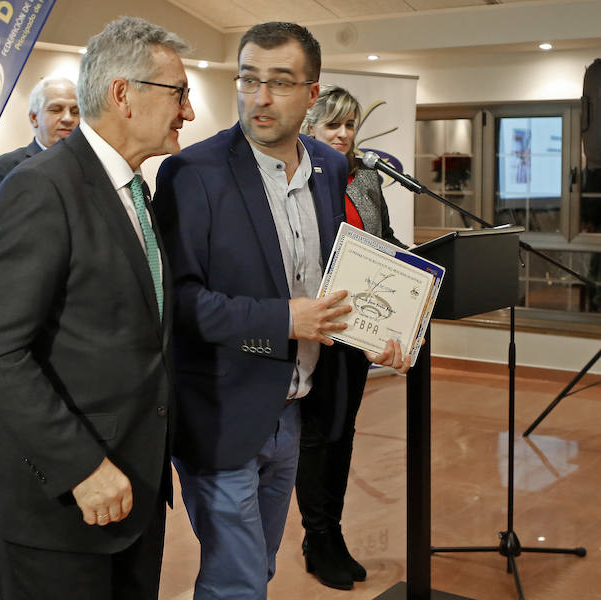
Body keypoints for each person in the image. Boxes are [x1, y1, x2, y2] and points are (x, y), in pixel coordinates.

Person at [154, 22, 409, 599]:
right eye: (249, 80)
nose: (260, 98)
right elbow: (180, 303)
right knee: (239, 581)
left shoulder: (330, 167)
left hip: (295, 411)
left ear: (312, 94)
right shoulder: (193, 174)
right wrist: (282, 320)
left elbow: (336, 280)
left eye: (279, 83)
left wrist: (373, 330)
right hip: (220, 413)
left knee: (257, 569)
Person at [0, 16, 194, 600]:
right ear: (123, 95)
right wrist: (83, 468)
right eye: (179, 94)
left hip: (133, 496)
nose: (187, 112)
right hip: (60, 505)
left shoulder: (138, 191)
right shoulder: (40, 188)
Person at [293, 84, 409, 590]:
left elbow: (383, 245)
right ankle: (317, 538)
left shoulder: (365, 178)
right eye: (332, 125)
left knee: (342, 434)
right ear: (309, 128)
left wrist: (421, 266)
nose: (343, 134)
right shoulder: (298, 177)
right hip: (315, 332)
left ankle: (331, 534)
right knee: (317, 439)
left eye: (349, 125)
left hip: (359, 335)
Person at [0, 76, 79, 212]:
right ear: (34, 118)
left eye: (75, 112)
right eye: (56, 110)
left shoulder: (93, 166)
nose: (68, 118)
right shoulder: (5, 168)